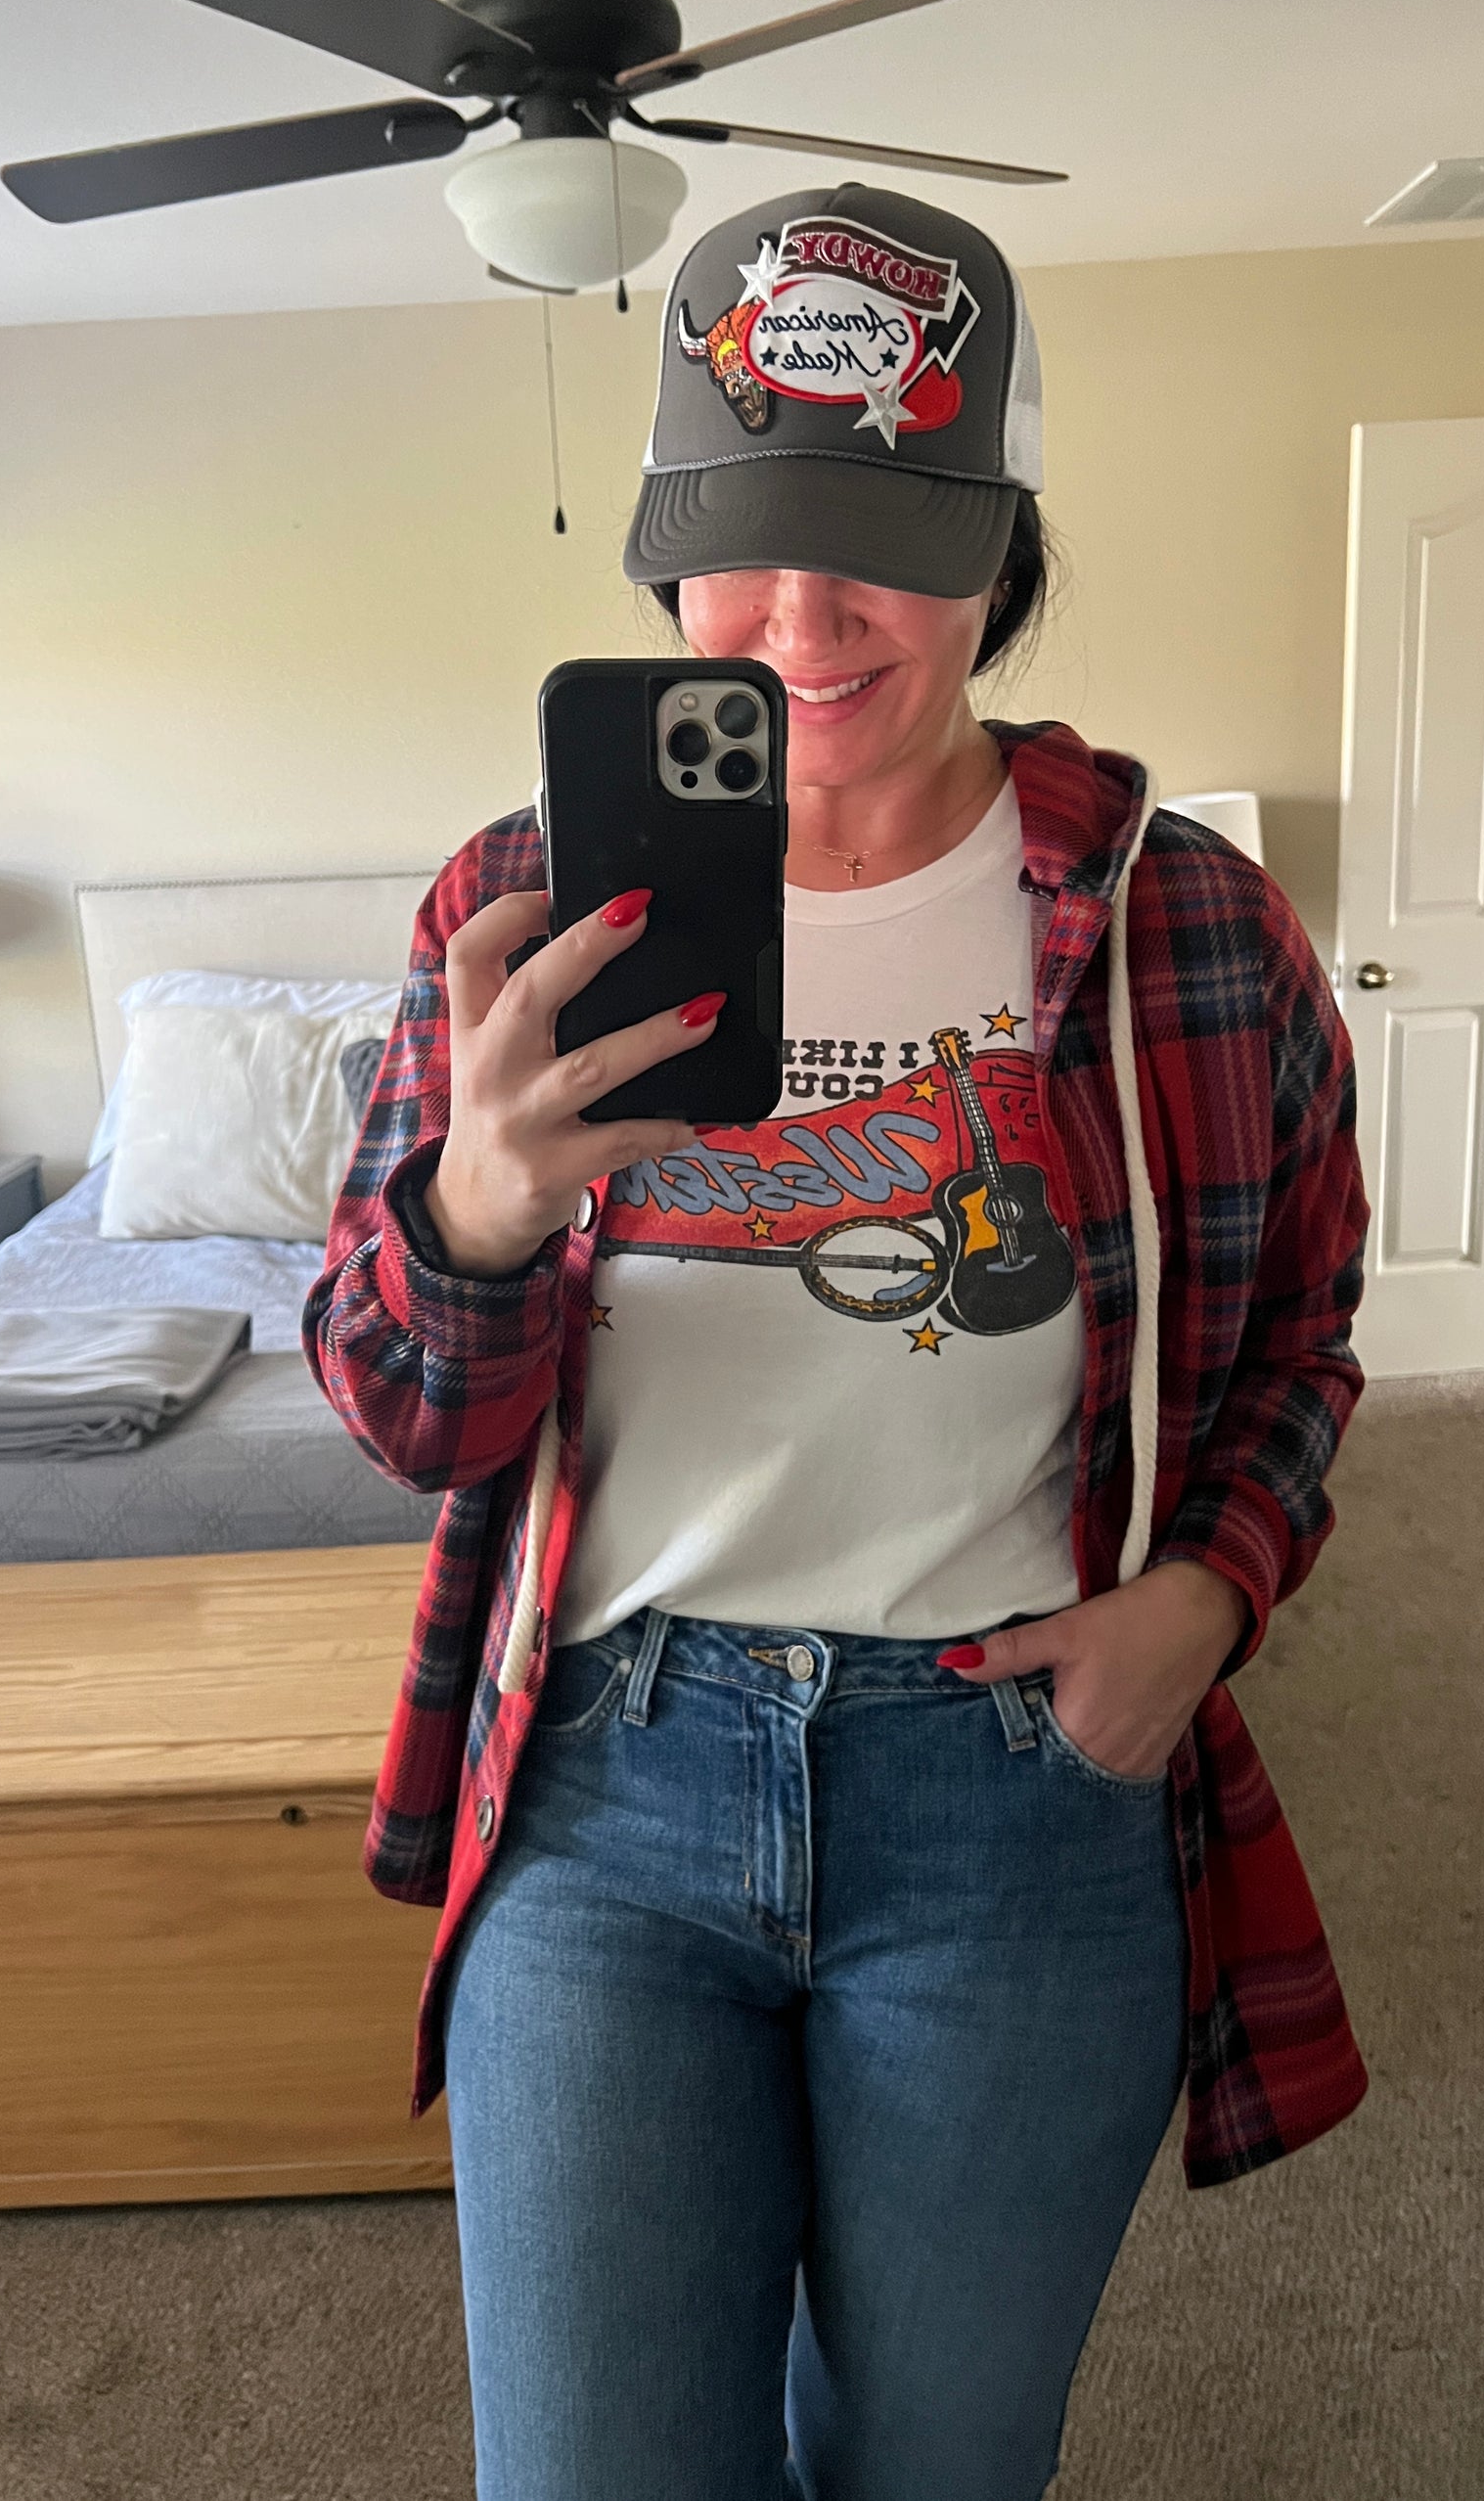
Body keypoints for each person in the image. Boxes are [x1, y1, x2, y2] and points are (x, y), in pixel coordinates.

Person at [305, 184, 1371, 2501]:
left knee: (937, 2466)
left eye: (888, 529)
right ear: (669, 565)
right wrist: (477, 1203)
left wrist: (1208, 1599)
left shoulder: (1179, 918)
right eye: (746, 538)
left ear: (997, 545)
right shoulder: (515, 910)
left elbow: (1300, 1331)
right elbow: (401, 1412)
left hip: (1010, 1786)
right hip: (611, 1777)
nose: (809, 613)